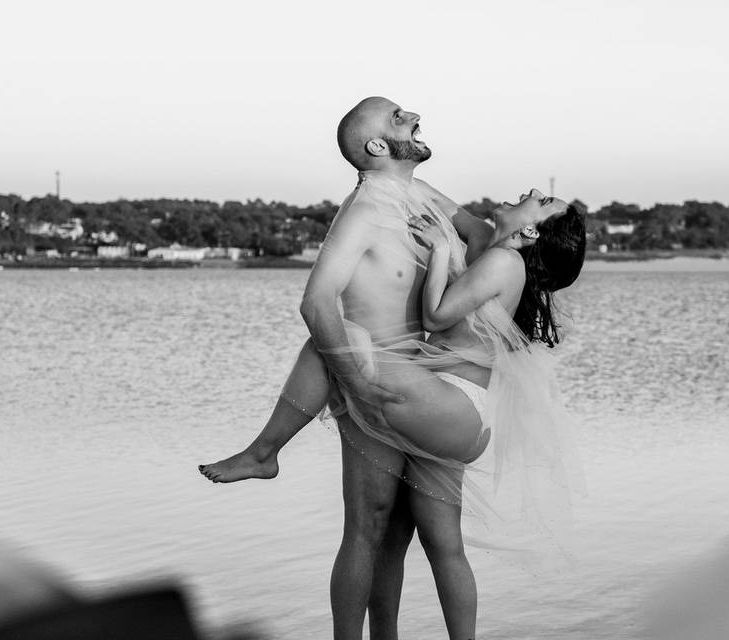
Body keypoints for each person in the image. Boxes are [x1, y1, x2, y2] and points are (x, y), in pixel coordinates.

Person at [200, 97, 585, 640]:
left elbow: (475, 248)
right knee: (391, 529)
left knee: (336, 356)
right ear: (379, 146)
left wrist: (360, 371)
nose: (413, 115)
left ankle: (265, 452)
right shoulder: (366, 206)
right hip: (415, 389)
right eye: (398, 116)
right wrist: (360, 377)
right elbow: (317, 303)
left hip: (430, 392)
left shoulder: (425, 198)